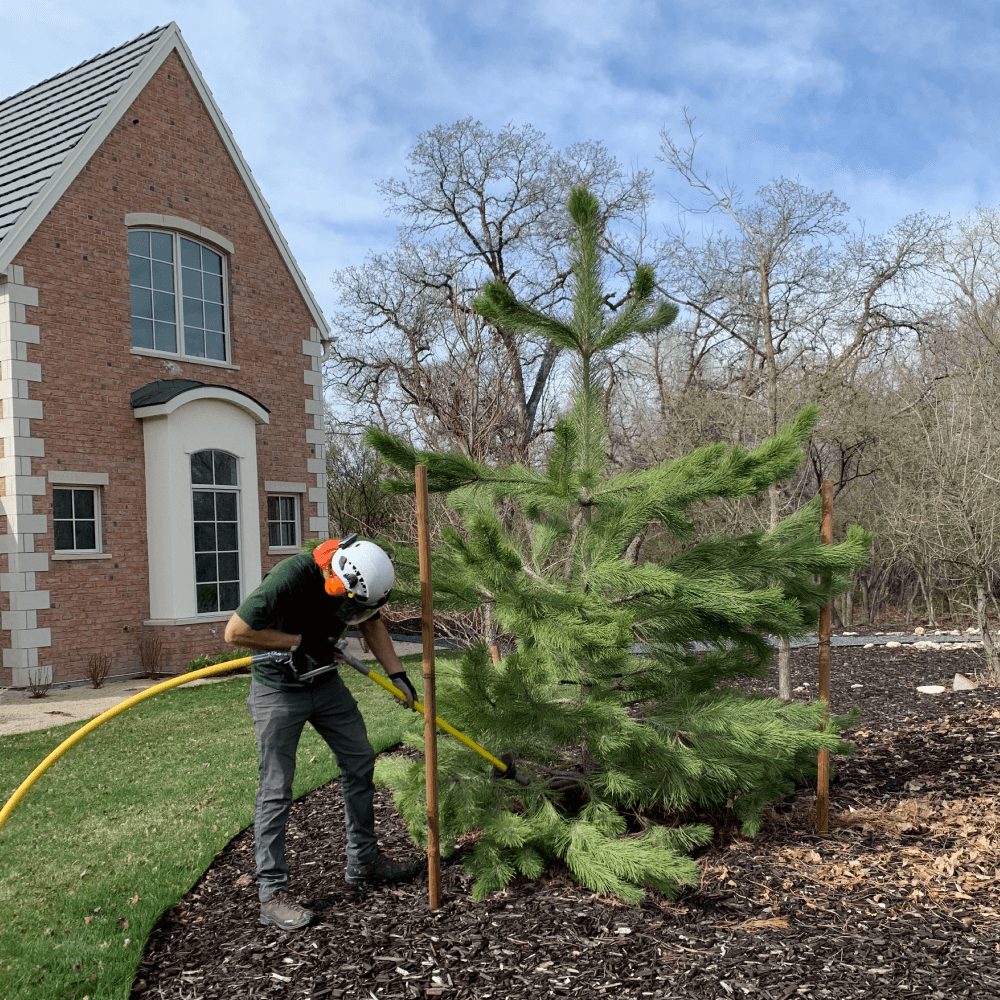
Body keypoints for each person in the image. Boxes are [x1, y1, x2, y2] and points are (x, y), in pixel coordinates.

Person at [224, 534, 425, 931]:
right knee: (277, 787)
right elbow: (235, 632)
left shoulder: (360, 582)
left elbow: (372, 626)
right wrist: (299, 643)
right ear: (338, 579)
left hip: (325, 683)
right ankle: (272, 894)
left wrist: (397, 675)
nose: (353, 611)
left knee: (360, 760)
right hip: (278, 690)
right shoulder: (290, 577)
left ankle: (364, 862)